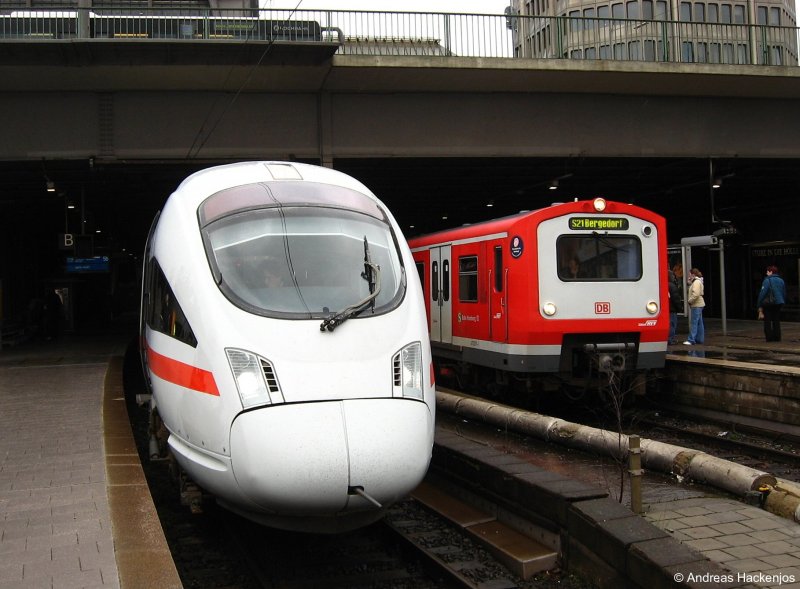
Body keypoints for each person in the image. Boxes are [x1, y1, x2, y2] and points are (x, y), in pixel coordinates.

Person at [756, 265, 787, 342]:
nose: (766, 272)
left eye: (767, 271)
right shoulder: (781, 280)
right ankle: (777, 337)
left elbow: (762, 293)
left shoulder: (767, 280)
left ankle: (769, 337)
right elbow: (784, 292)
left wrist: (759, 303)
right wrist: (783, 301)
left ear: (771, 272)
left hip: (768, 303)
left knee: (767, 320)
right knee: (776, 320)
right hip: (778, 303)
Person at [683, 268, 705, 345]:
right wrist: (689, 282)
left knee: (694, 322)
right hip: (699, 304)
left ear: (693, 274)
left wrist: (690, 301)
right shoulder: (697, 281)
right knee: (699, 322)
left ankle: (691, 339)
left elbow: (695, 294)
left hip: (696, 305)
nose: (688, 276)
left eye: (689, 274)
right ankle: (699, 339)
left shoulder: (696, 282)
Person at [667, 268, 682, 344]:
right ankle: (671, 339)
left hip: (666, 309)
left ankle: (668, 339)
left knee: (669, 324)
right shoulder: (672, 286)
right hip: (672, 309)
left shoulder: (663, 284)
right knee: (672, 324)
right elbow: (676, 298)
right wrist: (679, 308)